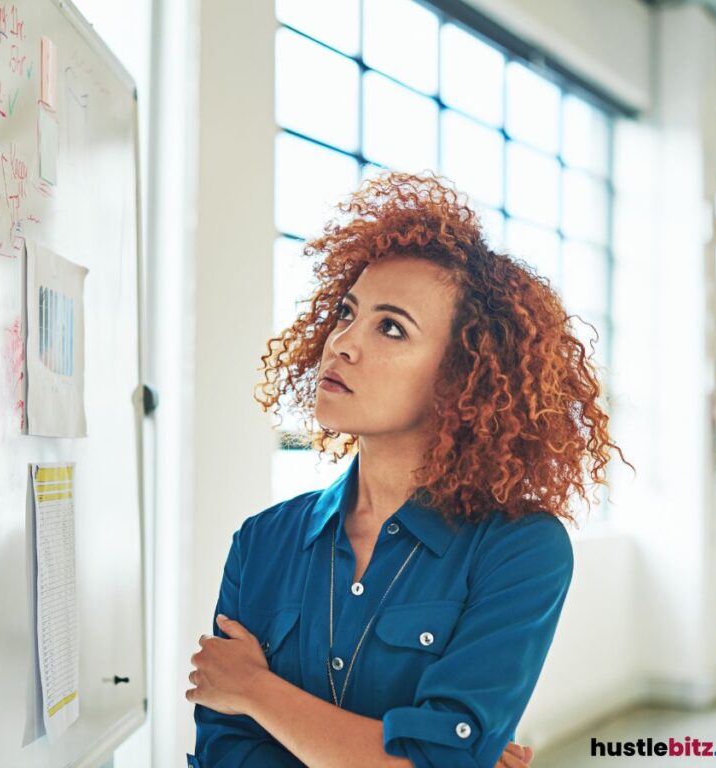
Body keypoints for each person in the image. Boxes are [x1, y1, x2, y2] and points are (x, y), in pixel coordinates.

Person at [184, 172, 634, 767]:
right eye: (348, 312)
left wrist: (254, 690)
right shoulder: (261, 542)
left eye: (391, 327)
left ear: (461, 377)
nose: (341, 342)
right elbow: (224, 755)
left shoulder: (520, 550)